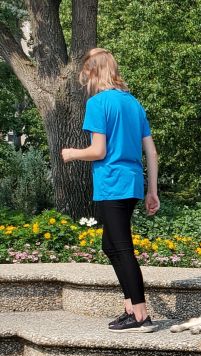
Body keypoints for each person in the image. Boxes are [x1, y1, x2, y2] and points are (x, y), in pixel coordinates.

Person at [62, 47, 160, 332]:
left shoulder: (98, 104)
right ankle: (130, 307)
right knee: (110, 245)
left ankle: (141, 316)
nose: (86, 81)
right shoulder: (133, 103)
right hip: (131, 182)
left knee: (121, 247)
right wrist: (151, 191)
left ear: (94, 73)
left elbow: (98, 150)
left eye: (86, 75)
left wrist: (72, 153)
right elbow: (151, 152)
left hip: (112, 182)